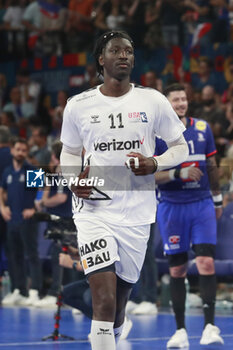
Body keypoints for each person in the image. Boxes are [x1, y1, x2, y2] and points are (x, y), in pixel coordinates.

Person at [60, 30, 189, 350]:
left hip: (136, 213)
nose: (124, 56)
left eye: (129, 51)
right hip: (94, 211)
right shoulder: (79, 104)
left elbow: (180, 147)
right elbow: (69, 152)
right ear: (100, 59)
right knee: (102, 301)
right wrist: (74, 180)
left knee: (118, 307)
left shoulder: (153, 100)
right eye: (116, 51)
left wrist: (155, 163)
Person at [155, 83, 224, 348]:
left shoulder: (203, 128)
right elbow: (151, 176)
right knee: (177, 268)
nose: (181, 103)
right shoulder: (158, 136)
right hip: (172, 206)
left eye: (184, 99)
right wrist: (178, 173)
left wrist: (217, 199)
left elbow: (212, 166)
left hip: (201, 204)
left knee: (206, 263)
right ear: (167, 104)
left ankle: (209, 326)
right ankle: (180, 331)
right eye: (176, 100)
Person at [0, 137, 42, 306]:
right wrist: (2, 208)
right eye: (18, 149)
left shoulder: (32, 170)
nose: (20, 153)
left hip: (27, 219)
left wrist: (34, 208)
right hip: (12, 219)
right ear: (12, 150)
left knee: (31, 254)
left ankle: (35, 291)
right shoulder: (8, 171)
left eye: (24, 150)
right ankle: (19, 290)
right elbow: (2, 190)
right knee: (14, 255)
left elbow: (40, 192)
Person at [34, 140, 73, 307]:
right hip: (61, 219)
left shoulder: (63, 173)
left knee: (60, 254)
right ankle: (64, 294)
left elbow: (61, 198)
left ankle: (56, 294)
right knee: (63, 254)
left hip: (64, 220)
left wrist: (43, 203)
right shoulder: (56, 173)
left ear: (54, 157)